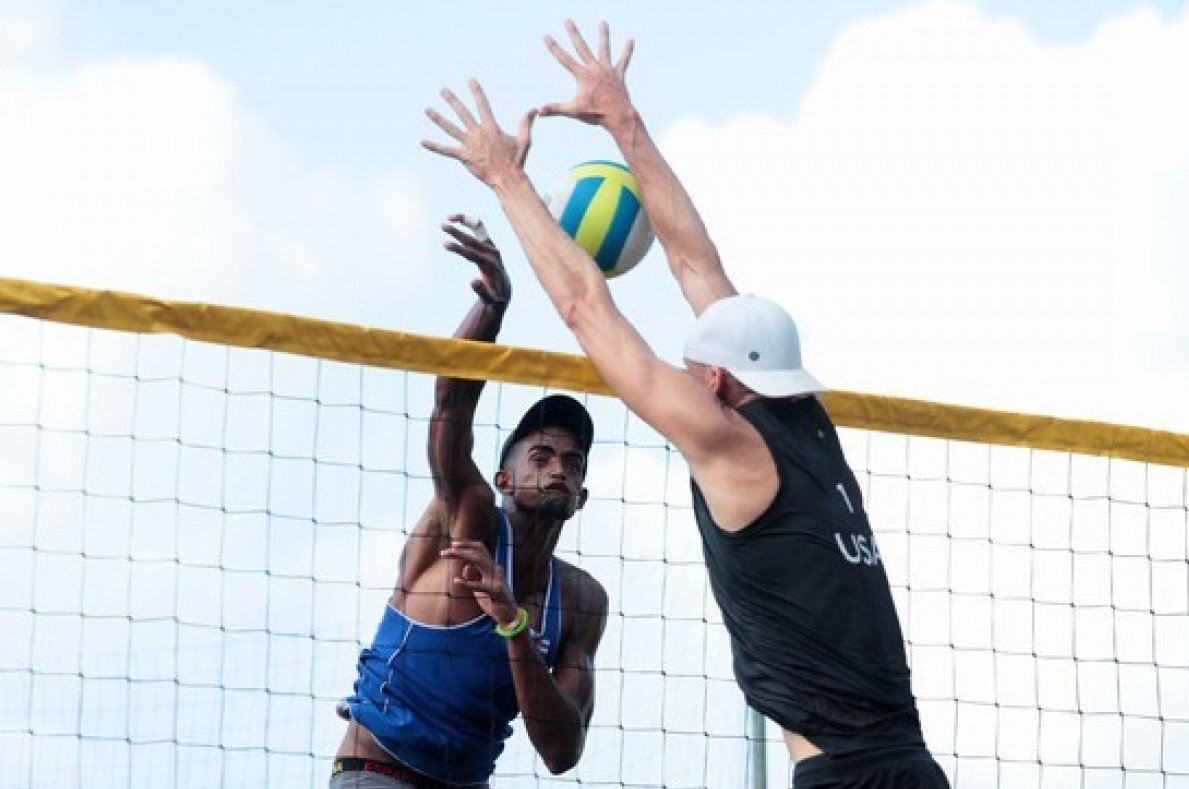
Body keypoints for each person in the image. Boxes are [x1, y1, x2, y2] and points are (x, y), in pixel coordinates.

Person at [421, 22, 950, 789]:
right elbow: (695, 262)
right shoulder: (806, 423)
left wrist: (507, 178)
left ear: (713, 382)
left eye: (691, 362)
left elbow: (585, 309)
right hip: (912, 766)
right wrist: (621, 119)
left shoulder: (731, 444)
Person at [332, 214, 608, 788]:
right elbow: (450, 406)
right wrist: (493, 308)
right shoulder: (472, 515)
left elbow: (562, 751)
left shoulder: (581, 599)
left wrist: (511, 621)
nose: (559, 467)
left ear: (581, 496)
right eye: (541, 456)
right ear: (504, 479)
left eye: (573, 461)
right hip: (379, 769)